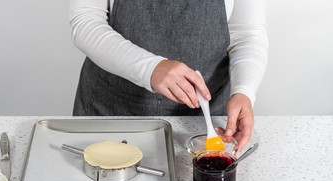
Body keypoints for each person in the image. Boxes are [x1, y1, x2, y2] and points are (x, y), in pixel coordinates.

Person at [69, 0, 268, 153]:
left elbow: (246, 33)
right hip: (111, 111)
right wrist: (150, 68)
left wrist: (244, 91)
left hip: (204, 124)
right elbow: (86, 21)